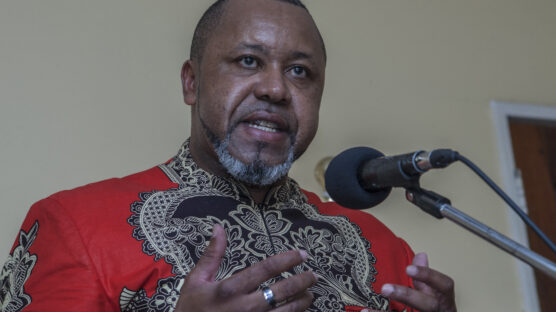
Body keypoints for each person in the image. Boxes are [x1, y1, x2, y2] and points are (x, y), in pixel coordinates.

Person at [0, 0, 456, 311]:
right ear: (191, 83)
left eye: (300, 72)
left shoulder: (383, 247)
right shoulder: (73, 224)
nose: (276, 89)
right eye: (248, 61)